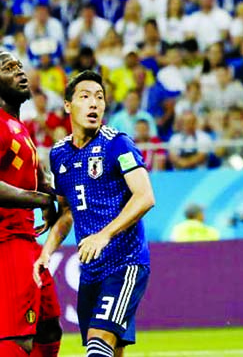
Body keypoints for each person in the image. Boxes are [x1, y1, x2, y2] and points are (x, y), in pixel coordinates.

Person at [34, 70, 156, 357]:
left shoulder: (118, 144)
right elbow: (66, 212)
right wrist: (47, 252)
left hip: (125, 263)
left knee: (98, 344)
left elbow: (145, 197)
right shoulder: (59, 154)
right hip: (90, 272)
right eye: (85, 97)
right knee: (111, 351)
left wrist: (104, 235)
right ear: (68, 105)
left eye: (99, 98)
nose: (94, 104)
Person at [0, 52, 62, 357]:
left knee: (49, 326)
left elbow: (33, 175)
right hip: (6, 242)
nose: (19, 72)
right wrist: (42, 199)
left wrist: (52, 191)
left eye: (19, 67)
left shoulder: (17, 125)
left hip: (27, 240)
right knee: (18, 339)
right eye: (8, 68)